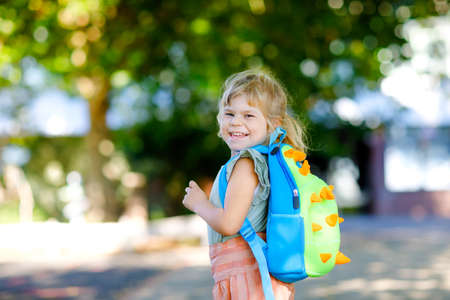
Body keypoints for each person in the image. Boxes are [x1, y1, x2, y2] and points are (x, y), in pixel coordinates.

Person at [182, 69, 308, 300]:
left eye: (249, 116)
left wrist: (200, 204)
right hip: (253, 278)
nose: (236, 122)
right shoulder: (257, 161)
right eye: (229, 113)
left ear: (272, 124)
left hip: (248, 280)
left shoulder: (246, 164)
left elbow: (230, 224)